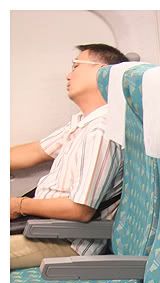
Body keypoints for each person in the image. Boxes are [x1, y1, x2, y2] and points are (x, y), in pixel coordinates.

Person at [9, 43, 128, 270]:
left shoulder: (102, 131)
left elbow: (80, 210)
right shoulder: (82, 124)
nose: (68, 75)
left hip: (67, 238)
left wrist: (19, 205)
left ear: (102, 72)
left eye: (75, 66)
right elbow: (36, 151)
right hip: (43, 227)